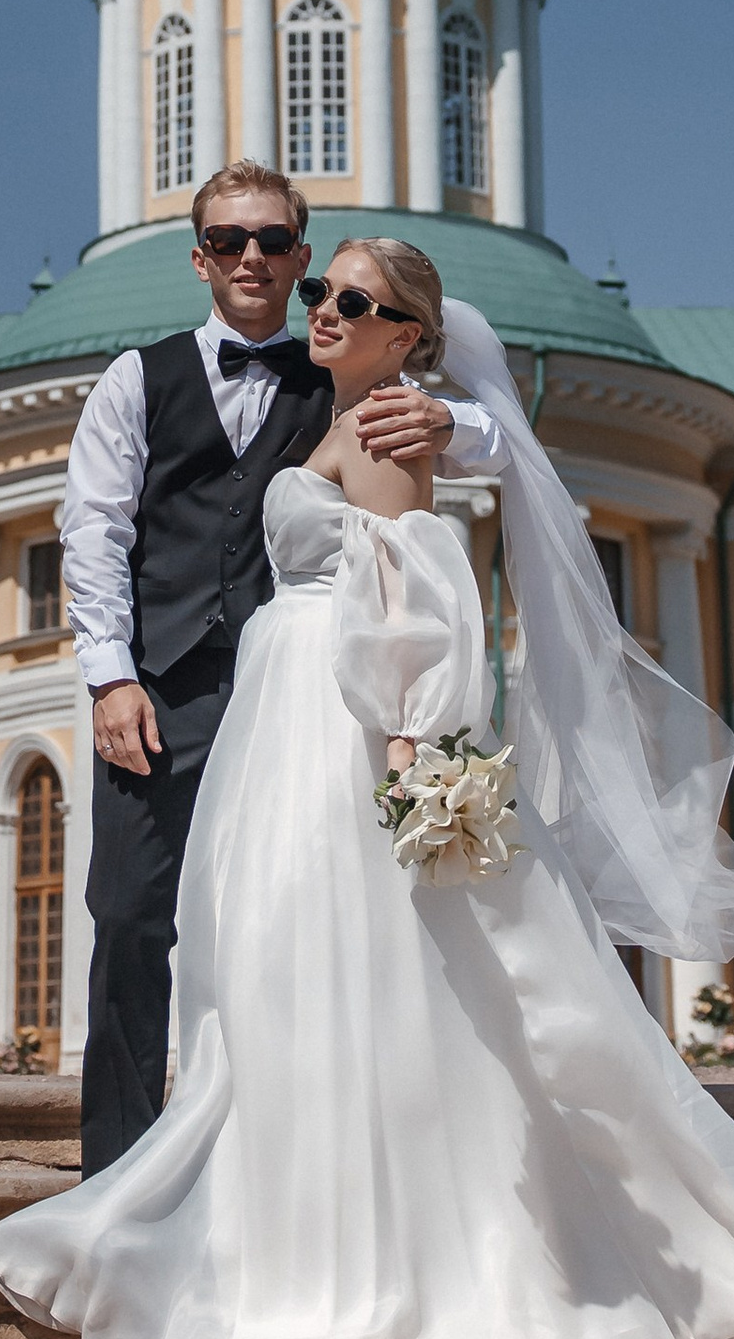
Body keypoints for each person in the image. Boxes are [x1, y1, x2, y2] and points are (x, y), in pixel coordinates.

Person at [0, 239, 734, 1339]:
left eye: (352, 300)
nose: (322, 308)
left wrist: (412, 747)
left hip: (342, 717)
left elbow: (420, 593)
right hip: (291, 712)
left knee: (356, 967)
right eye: (321, 290)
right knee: (289, 965)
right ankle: (311, 1226)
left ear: (408, 334)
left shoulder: (391, 421)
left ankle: (379, 1248)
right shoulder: (336, 405)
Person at [59, 163, 500, 1175]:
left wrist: (453, 421)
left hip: (301, 695)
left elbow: (484, 450)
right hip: (161, 688)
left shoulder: (344, 367)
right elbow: (93, 531)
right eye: (227, 239)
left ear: (300, 257)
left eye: (271, 241)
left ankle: (274, 1165)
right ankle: (116, 1171)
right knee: (128, 915)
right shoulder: (136, 378)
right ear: (199, 257)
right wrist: (110, 677)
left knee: (280, 919)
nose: (249, 257)